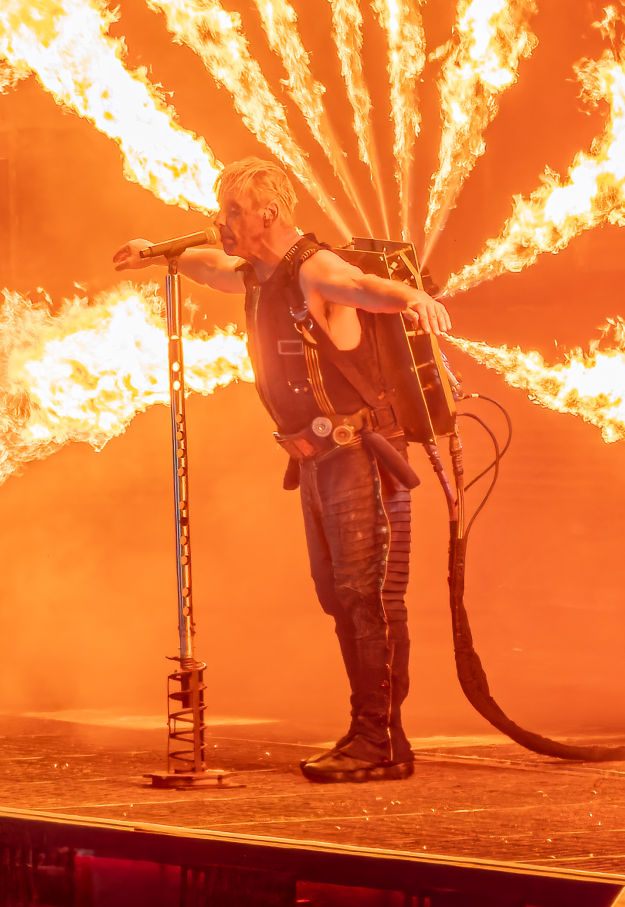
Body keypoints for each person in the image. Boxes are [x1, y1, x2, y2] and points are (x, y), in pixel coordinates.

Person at [113, 158, 451, 785]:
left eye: (234, 211)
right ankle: (380, 737)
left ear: (269, 213)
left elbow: (360, 285)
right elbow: (205, 264)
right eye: (222, 211)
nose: (223, 222)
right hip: (319, 462)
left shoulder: (313, 269)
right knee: (341, 599)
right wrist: (156, 253)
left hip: (358, 459)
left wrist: (411, 298)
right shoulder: (256, 274)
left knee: (367, 598)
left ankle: (377, 740)